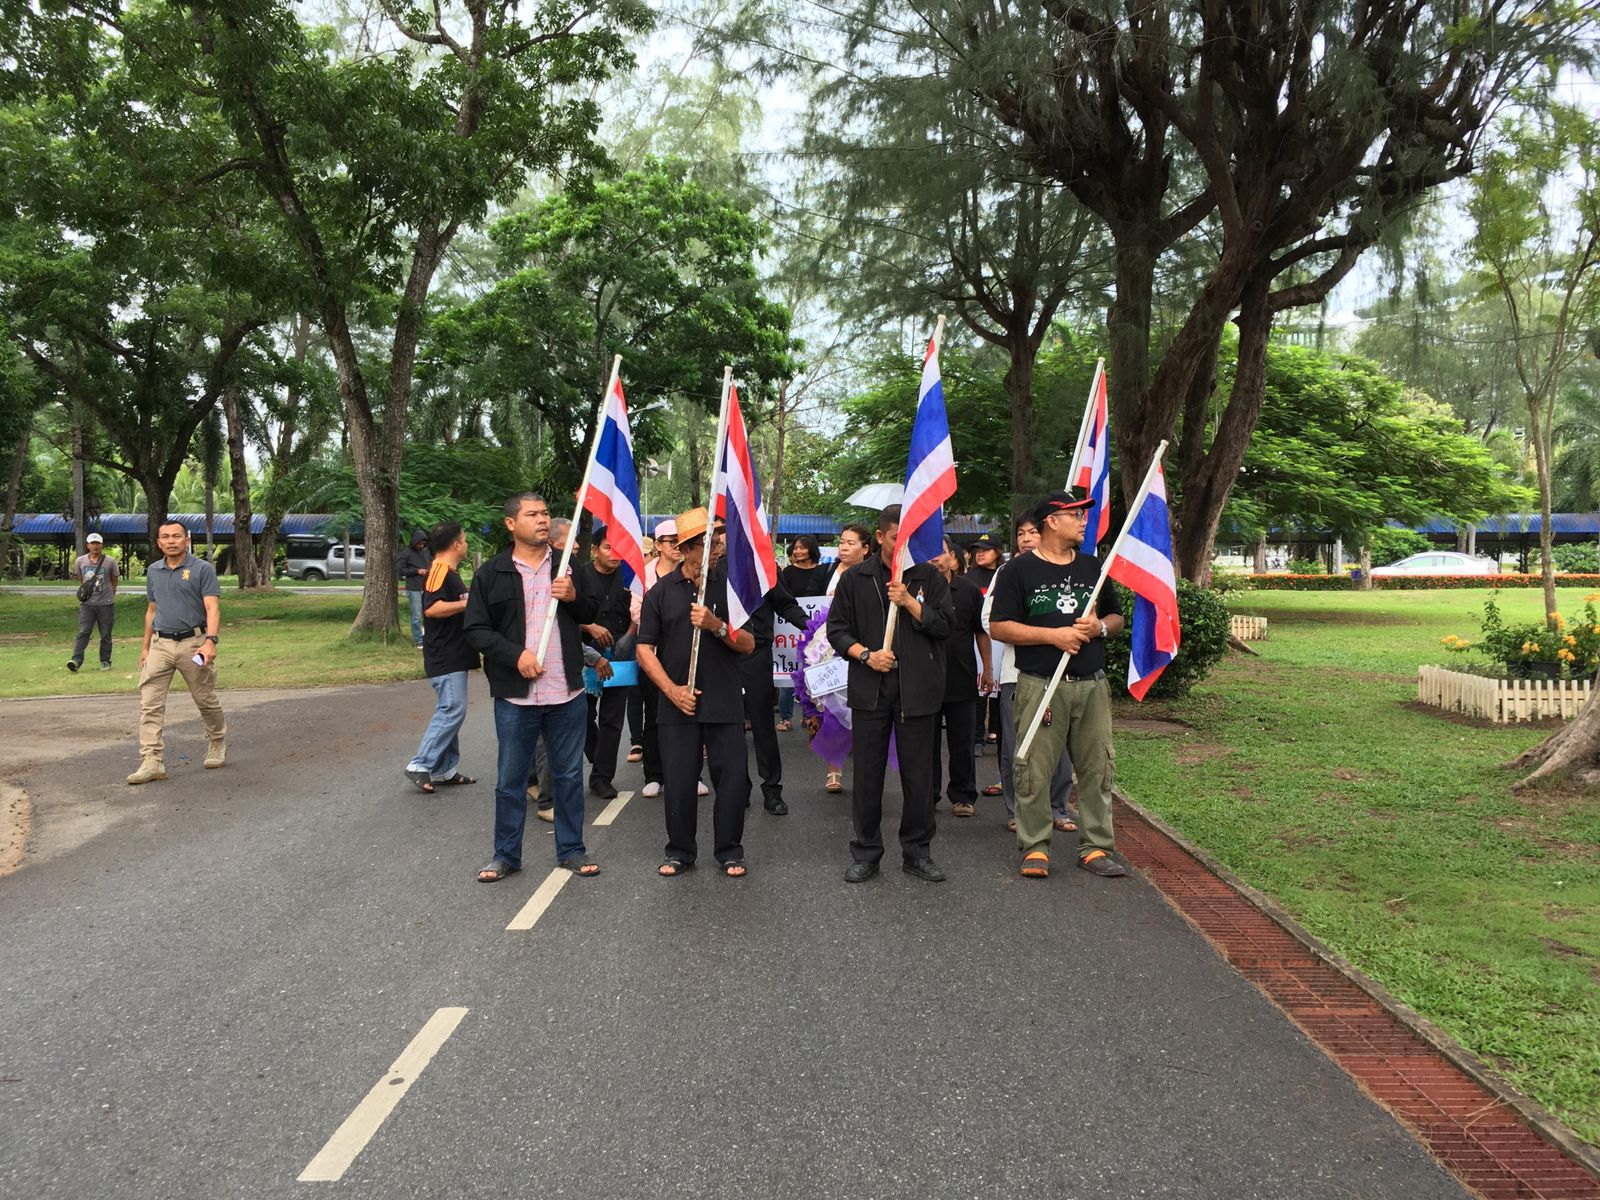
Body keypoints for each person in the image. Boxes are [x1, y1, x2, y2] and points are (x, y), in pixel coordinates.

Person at [988, 489, 1126, 880]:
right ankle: (1035, 846)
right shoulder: (1017, 571)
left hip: (1092, 685)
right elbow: (999, 626)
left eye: (1083, 516)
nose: (1083, 522)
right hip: (1041, 684)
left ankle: (1096, 847)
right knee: (1034, 766)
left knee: (1098, 767)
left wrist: (1099, 626)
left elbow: (1115, 618)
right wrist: (1054, 637)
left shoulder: (1092, 567)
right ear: (1052, 521)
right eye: (1075, 516)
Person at [465, 493, 602, 882]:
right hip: (516, 696)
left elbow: (592, 611)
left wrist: (575, 598)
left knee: (569, 776)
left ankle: (572, 850)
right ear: (511, 524)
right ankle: (505, 854)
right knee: (510, 780)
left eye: (544, 514)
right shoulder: (491, 573)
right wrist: (514, 655)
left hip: (566, 692)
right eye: (532, 515)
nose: (543, 520)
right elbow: (475, 629)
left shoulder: (567, 567)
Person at [826, 504, 954, 884]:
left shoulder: (929, 578)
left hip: (918, 691)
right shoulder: (855, 579)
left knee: (918, 776)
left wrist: (911, 603)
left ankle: (917, 852)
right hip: (871, 689)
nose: (904, 544)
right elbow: (837, 630)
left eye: (910, 537)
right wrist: (866, 655)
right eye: (898, 536)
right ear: (880, 537)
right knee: (867, 775)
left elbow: (946, 625)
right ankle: (866, 851)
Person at [636, 507, 754, 878]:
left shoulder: (731, 589)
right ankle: (680, 851)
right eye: (706, 542)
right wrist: (671, 691)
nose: (715, 548)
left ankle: (730, 851)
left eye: (717, 540)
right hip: (677, 704)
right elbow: (643, 649)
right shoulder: (660, 592)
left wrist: (717, 625)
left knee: (732, 779)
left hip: (725, 700)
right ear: (685, 548)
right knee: (680, 782)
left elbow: (749, 643)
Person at [982, 516, 1077, 832]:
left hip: (1062, 672)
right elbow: (989, 619)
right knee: (1016, 745)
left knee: (1059, 744)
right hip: (1017, 672)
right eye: (1020, 533)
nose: (1025, 538)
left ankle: (1057, 807)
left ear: (1047, 531)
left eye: (1032, 532)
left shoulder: (1066, 572)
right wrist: (1030, 633)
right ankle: (1016, 809)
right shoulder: (1007, 573)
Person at [127, 520, 225, 785]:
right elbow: (151, 610)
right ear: (158, 543)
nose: (171, 541)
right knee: (149, 704)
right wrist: (145, 648)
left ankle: (217, 741)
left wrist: (210, 641)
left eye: (177, 536)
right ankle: (152, 761)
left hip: (193, 643)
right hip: (160, 644)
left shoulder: (202, 569)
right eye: (165, 537)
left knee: (204, 698)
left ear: (187, 541)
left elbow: (212, 608)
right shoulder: (153, 571)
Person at [403, 522, 479, 794]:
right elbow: (432, 609)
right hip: (444, 655)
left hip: (455, 652)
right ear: (456, 544)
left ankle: (444, 768)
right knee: (452, 709)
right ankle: (420, 764)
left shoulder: (450, 572)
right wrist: (467, 603)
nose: (467, 545)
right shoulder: (438, 570)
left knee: (452, 710)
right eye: (465, 540)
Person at [802, 522, 872, 794]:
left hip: (860, 645)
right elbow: (806, 602)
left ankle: (867, 769)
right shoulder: (826, 571)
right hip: (825, 647)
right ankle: (833, 771)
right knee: (828, 709)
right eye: (842, 541)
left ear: (866, 548)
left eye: (851, 542)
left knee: (862, 709)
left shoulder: (872, 575)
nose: (844, 547)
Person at [738, 576, 810, 815]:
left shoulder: (762, 565)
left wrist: (814, 626)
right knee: (730, 726)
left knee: (762, 724)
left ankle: (772, 790)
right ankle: (738, 789)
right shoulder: (717, 566)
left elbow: (785, 604)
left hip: (757, 652)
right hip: (722, 653)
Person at [932, 536, 990, 818]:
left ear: (951, 557)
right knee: (924, 743)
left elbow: (980, 632)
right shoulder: (913, 588)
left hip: (962, 676)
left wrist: (988, 669)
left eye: (940, 552)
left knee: (962, 742)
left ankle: (963, 796)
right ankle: (926, 794)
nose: (935, 557)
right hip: (925, 680)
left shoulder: (967, 590)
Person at [575, 526, 633, 801]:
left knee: (613, 720)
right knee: (583, 716)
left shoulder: (629, 576)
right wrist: (590, 626)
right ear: (595, 549)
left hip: (620, 655)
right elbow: (566, 613)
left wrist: (630, 636)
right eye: (609, 547)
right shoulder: (580, 576)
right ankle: (598, 758)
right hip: (585, 655)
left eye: (619, 547)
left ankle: (602, 777)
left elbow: (639, 609)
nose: (615, 553)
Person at [636, 519, 684, 799]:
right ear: (658, 545)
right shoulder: (644, 576)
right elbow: (635, 610)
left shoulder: (693, 573)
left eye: (682, 541)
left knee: (688, 714)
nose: (677, 547)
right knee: (654, 714)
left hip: (683, 655)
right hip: (652, 654)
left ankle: (689, 774)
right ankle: (654, 773)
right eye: (671, 541)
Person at [776, 535, 830, 730]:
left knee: (813, 670)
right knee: (788, 673)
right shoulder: (788, 572)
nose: (798, 551)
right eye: (796, 547)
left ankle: (810, 715)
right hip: (789, 628)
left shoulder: (824, 571)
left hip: (816, 627)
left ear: (812, 549)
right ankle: (785, 717)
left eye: (802, 547)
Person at [967, 533, 1005, 752]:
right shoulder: (969, 578)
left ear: (997, 552)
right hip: (976, 639)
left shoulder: (1005, 576)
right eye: (977, 550)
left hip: (1001, 639)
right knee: (979, 689)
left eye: (986, 549)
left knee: (1000, 691)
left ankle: (998, 732)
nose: (980, 553)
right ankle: (976, 738)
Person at [69, 532, 119, 672]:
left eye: (98, 543)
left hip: (106, 604)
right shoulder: (80, 561)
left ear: (102, 545)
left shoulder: (110, 561)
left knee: (105, 634)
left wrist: (110, 595)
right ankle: (76, 660)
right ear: (88, 545)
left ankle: (105, 660)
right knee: (84, 632)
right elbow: (81, 579)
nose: (95, 546)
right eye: (92, 543)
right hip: (87, 604)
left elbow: (114, 580)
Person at [398, 530, 433, 649]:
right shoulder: (405, 553)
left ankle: (428, 637)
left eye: (423, 544)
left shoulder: (426, 552)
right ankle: (418, 640)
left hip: (427, 586)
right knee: (416, 615)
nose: (421, 546)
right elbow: (400, 570)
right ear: (414, 542)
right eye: (419, 544)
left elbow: (431, 564)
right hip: (414, 588)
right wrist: (416, 571)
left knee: (428, 613)